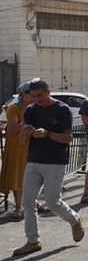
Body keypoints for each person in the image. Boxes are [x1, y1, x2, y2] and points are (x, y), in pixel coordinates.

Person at [13, 78, 84, 256]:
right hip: (34, 159)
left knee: (52, 202)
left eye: (41, 96)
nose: (37, 99)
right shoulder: (30, 111)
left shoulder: (62, 109)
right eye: (34, 96)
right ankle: (32, 240)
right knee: (27, 202)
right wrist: (25, 132)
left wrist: (47, 134)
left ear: (48, 91)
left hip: (55, 161)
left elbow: (68, 137)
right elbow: (22, 141)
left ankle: (74, 220)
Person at [0, 82, 34, 219]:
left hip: (32, 145)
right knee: (17, 176)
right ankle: (19, 207)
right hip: (17, 147)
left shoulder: (34, 107)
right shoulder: (13, 108)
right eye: (30, 94)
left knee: (32, 176)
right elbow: (13, 129)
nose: (33, 97)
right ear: (23, 94)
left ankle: (33, 203)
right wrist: (28, 121)